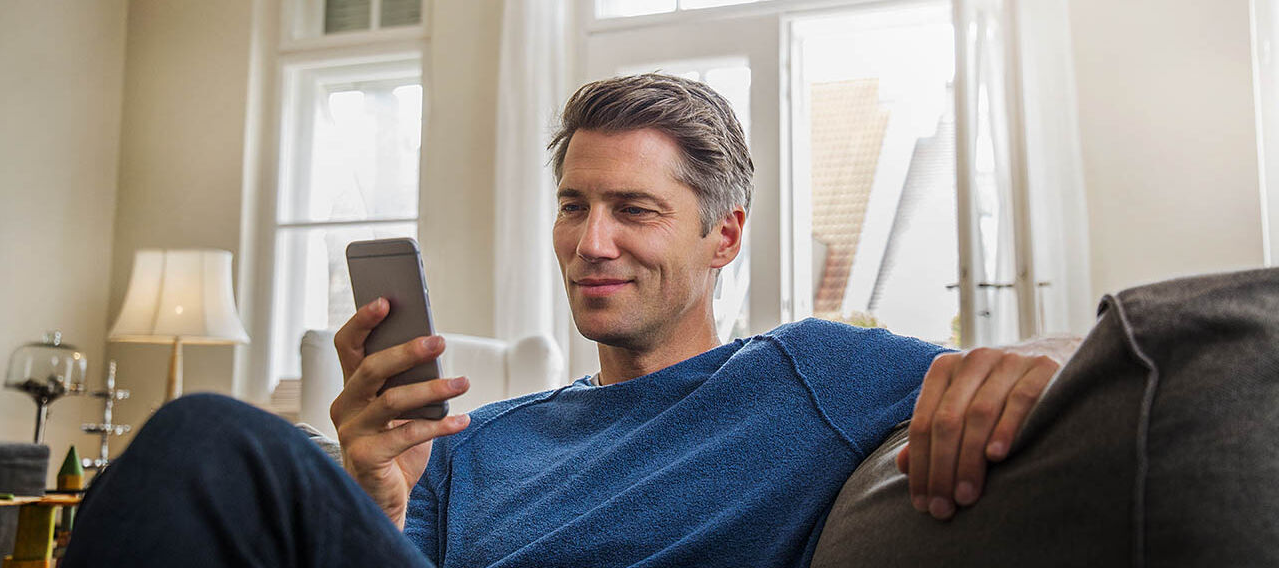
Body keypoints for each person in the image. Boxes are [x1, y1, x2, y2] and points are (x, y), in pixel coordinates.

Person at [64, 74, 1070, 567]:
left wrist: (1024, 359)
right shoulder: (466, 448)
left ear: (722, 239)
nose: (591, 242)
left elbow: (1094, 356)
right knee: (196, 459)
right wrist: (372, 490)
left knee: (208, 437)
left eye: (633, 211)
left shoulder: (805, 373)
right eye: (572, 205)